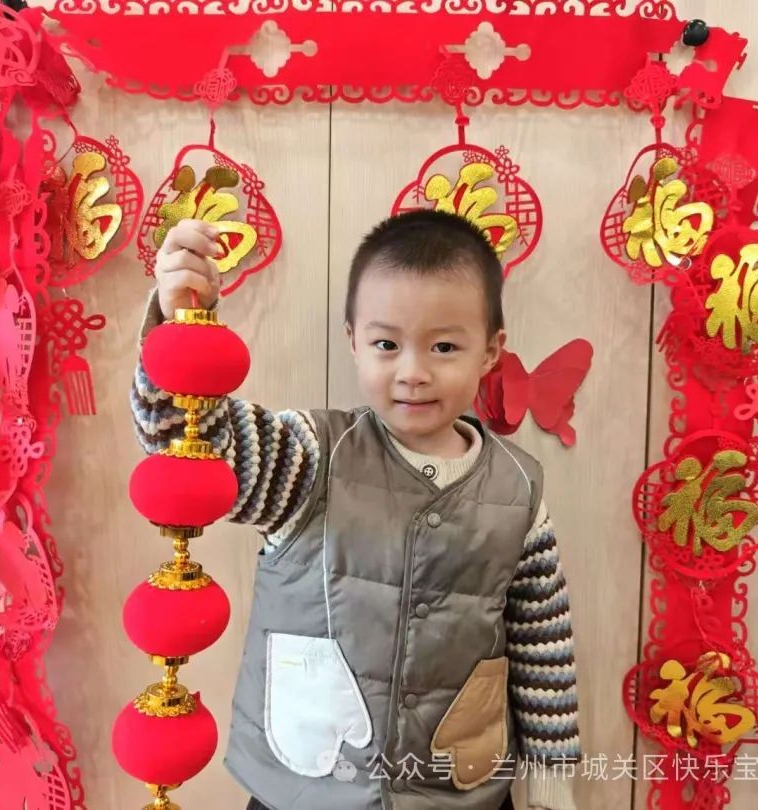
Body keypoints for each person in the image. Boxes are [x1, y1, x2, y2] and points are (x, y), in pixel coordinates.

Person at [130, 210, 580, 810]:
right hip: (305, 789)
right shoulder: (308, 458)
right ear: (353, 341)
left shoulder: (517, 489)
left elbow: (543, 645)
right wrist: (180, 324)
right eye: (386, 345)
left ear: (491, 351)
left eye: (444, 346)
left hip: (457, 791)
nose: (413, 373)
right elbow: (185, 447)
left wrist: (551, 781)